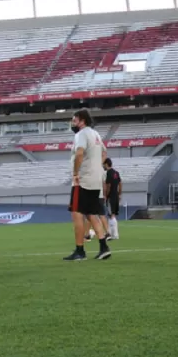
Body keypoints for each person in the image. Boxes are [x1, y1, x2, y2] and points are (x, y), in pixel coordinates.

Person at [64, 110, 111, 261]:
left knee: (77, 213)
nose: (73, 123)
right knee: (91, 213)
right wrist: (96, 166)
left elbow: (79, 153)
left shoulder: (81, 134)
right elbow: (104, 153)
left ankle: (80, 250)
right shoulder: (95, 134)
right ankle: (104, 247)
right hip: (95, 179)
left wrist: (76, 173)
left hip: (83, 180)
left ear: (81, 120)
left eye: (74, 120)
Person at [102, 158, 122, 240]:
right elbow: (120, 183)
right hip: (116, 195)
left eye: (103, 164)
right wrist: (119, 193)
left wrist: (106, 195)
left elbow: (108, 185)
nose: (103, 166)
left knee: (111, 215)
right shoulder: (116, 173)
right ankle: (110, 233)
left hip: (111, 196)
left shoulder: (108, 173)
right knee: (112, 214)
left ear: (106, 164)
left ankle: (115, 235)